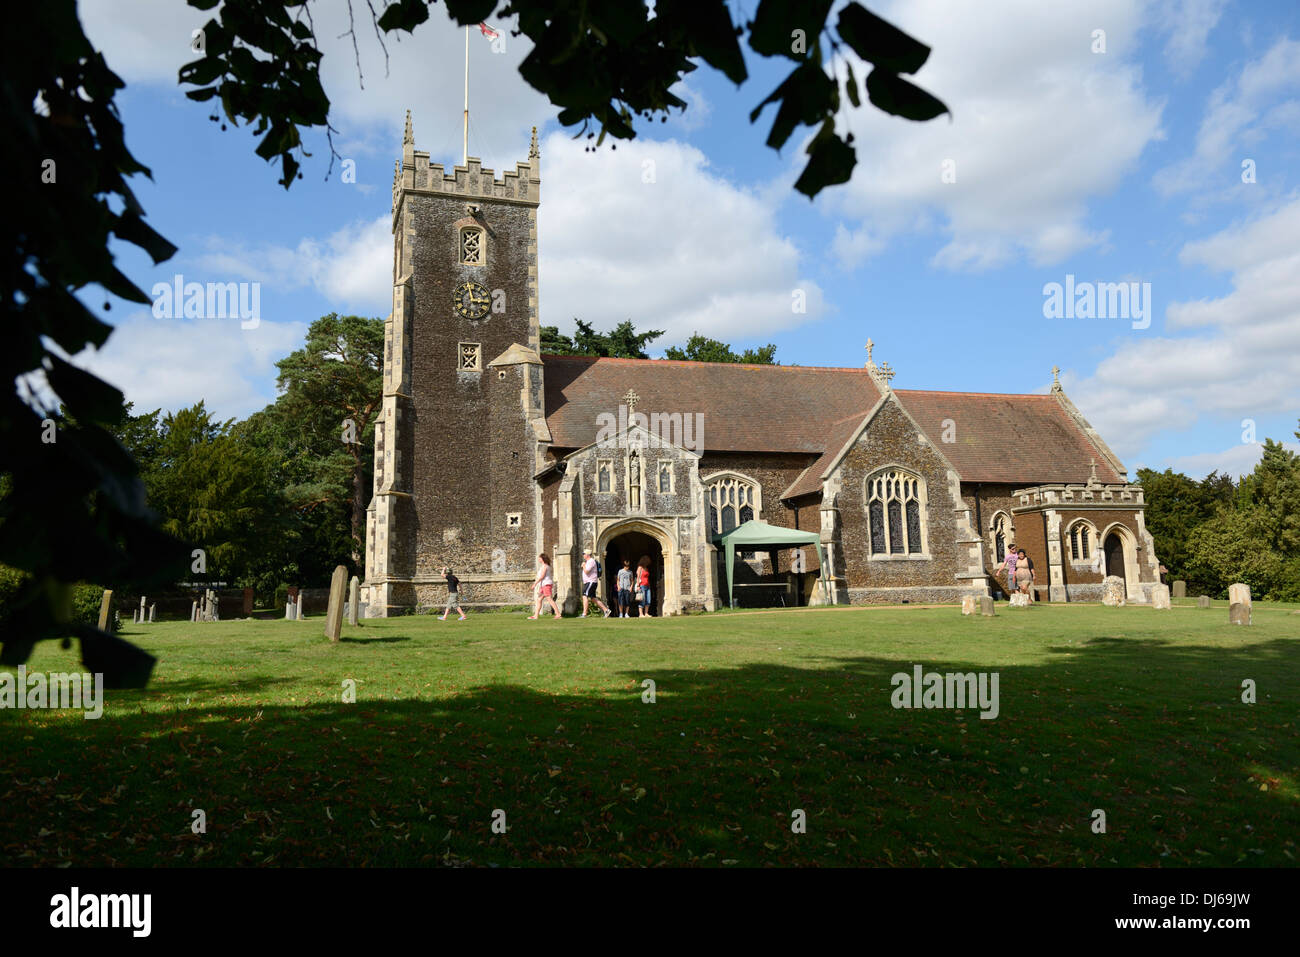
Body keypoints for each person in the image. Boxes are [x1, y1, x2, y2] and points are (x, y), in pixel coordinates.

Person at [580, 547, 612, 618]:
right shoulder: (588, 562)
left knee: (584, 595)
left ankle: (584, 614)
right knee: (593, 598)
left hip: (590, 582)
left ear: (587, 555)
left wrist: (583, 566)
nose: (583, 555)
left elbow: (586, 571)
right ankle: (606, 610)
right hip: (589, 582)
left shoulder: (591, 561)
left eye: (584, 554)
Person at [528, 552, 562, 619]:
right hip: (544, 585)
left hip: (546, 585)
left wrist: (535, 584)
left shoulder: (545, 566)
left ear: (542, 559)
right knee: (539, 599)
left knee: (549, 599)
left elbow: (542, 576)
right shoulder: (544, 566)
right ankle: (536, 615)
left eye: (539, 558)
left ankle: (558, 614)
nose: (539, 559)